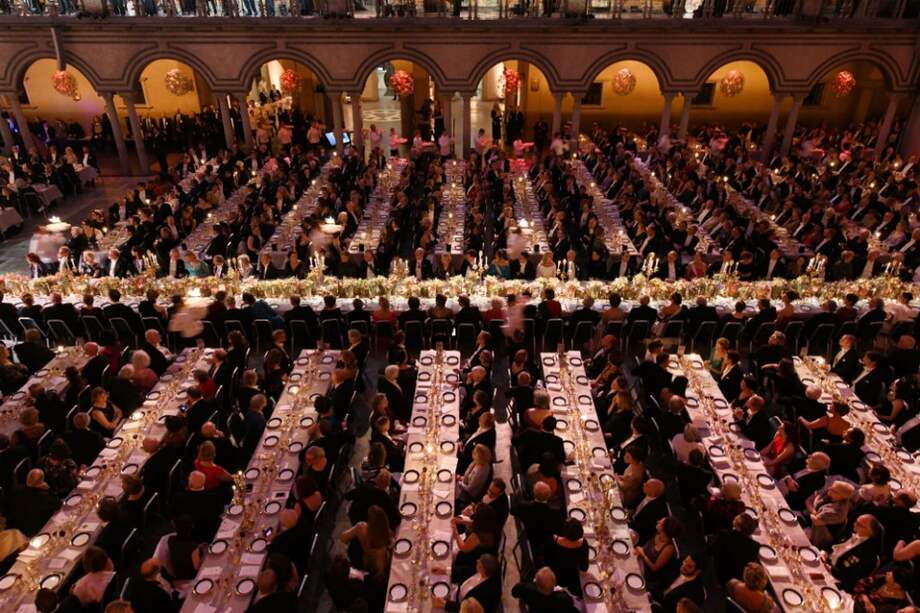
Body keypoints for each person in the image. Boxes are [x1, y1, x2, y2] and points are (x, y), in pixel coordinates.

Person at [511, 567, 577, 612]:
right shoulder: (562, 598)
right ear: (554, 584)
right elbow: (571, 602)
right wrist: (562, 591)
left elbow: (514, 592)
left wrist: (532, 584)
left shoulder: (528, 588)